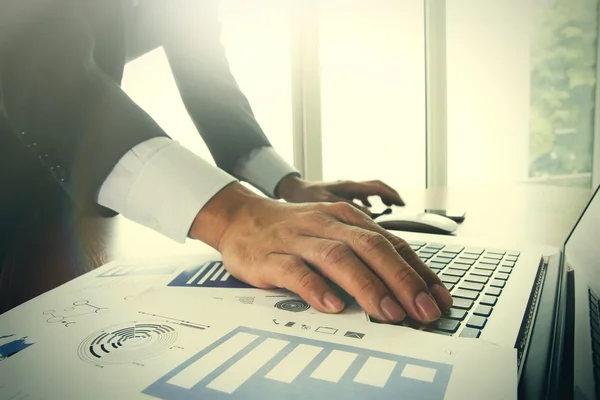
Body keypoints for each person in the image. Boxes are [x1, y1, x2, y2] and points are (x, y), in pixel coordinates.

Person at [0, 0, 452, 324]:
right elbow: (32, 62)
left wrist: (289, 186)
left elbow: (209, 83)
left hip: (66, 200)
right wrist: (234, 215)